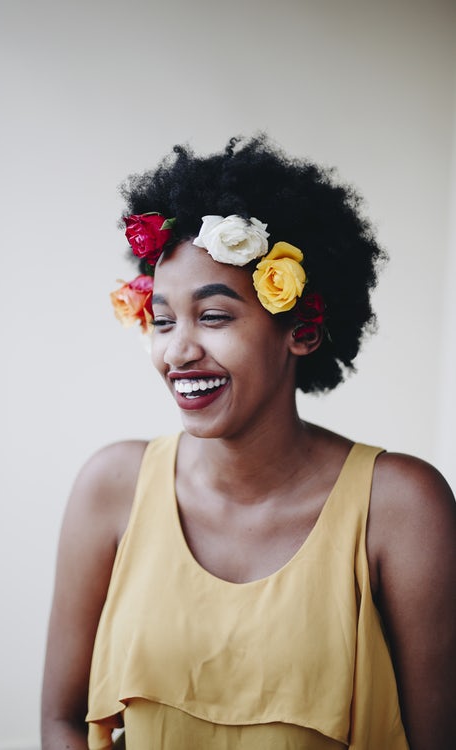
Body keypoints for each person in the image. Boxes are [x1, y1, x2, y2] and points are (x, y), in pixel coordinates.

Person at [41, 135, 456, 750]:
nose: (179, 351)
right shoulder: (111, 487)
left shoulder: (401, 506)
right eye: (162, 319)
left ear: (303, 329)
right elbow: (61, 722)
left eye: (213, 317)